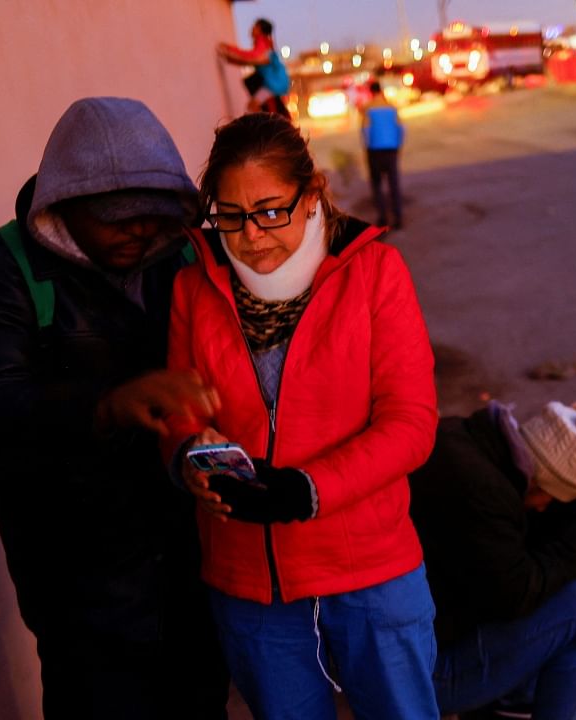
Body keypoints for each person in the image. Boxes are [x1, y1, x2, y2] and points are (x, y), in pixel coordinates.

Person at [0, 97, 229, 718]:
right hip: (80, 587)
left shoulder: (181, 258)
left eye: (154, 217)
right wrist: (106, 405)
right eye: (117, 218)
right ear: (62, 202)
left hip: (188, 564)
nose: (139, 233)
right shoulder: (1, 272)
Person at [167, 111, 441, 719]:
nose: (254, 236)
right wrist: (190, 457)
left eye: (271, 210)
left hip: (371, 572)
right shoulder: (194, 288)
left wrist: (306, 490)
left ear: (311, 193)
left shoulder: (374, 273)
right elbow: (180, 416)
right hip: (249, 586)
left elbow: (412, 424)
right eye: (231, 217)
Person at [410, 400, 576, 719]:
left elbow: (494, 558)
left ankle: (519, 691)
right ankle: (524, 693)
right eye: (548, 499)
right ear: (539, 480)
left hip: (407, 644)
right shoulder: (482, 493)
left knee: (555, 585)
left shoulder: (462, 438)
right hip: (422, 675)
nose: (541, 508)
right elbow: (518, 592)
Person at [218, 18, 292, 117]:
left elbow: (252, 57)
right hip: (273, 83)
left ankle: (265, 126)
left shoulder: (262, 43)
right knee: (261, 107)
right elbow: (251, 60)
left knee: (257, 107)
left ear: (260, 29)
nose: (252, 28)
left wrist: (229, 49)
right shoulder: (266, 43)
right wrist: (231, 59)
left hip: (274, 84)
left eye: (255, 26)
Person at [360, 79, 405, 228]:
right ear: (381, 90)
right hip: (391, 150)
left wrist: (366, 147)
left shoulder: (368, 108)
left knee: (377, 184)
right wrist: (398, 145)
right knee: (394, 184)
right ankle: (398, 217)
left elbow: (366, 130)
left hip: (375, 151)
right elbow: (401, 128)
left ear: (371, 92)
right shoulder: (391, 107)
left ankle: (383, 218)